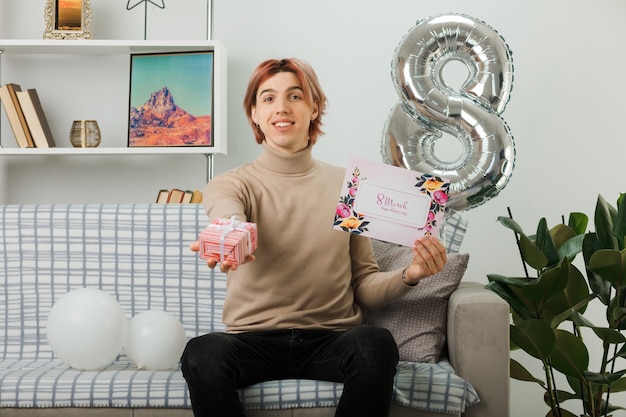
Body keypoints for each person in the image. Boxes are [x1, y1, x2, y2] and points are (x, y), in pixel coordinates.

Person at [180, 58, 448, 417]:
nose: (281, 108)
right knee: (201, 353)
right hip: (250, 340)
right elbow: (226, 208)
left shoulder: (350, 188)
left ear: (314, 107)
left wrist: (410, 275)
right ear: (254, 114)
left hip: (331, 339)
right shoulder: (233, 182)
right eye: (268, 98)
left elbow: (364, 284)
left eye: (295, 96)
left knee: (376, 343)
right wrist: (230, 233)